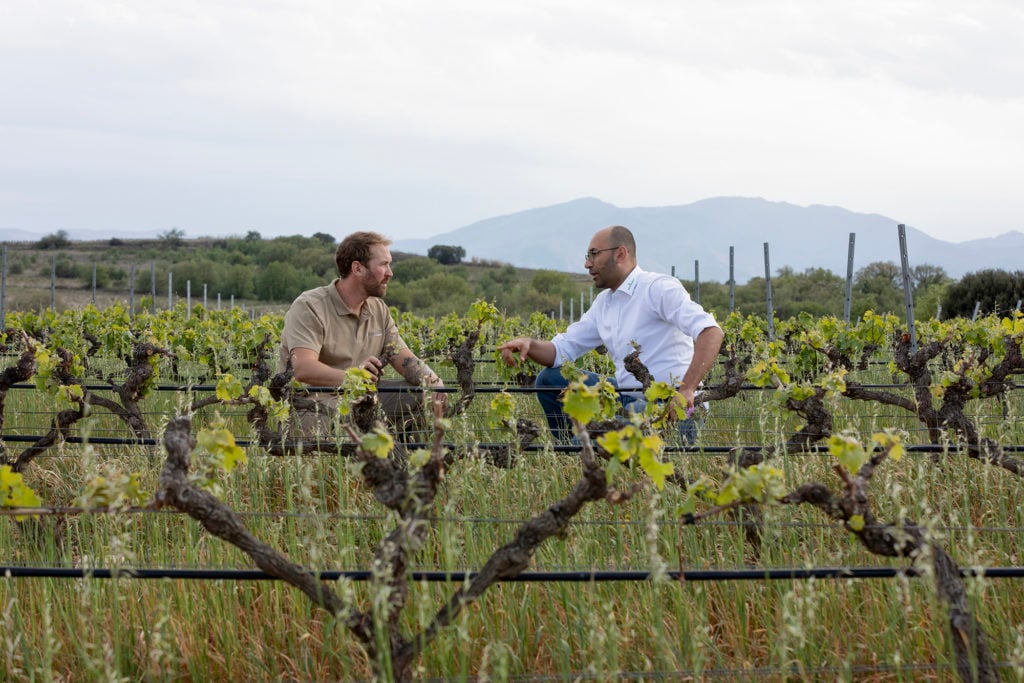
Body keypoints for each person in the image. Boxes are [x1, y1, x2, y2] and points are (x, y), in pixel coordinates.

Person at [497, 225, 724, 444]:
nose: (587, 264)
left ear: (620, 254)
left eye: (594, 254)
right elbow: (562, 350)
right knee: (549, 379)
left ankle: (583, 447)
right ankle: (571, 451)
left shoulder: (658, 289)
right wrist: (528, 344)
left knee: (601, 438)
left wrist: (686, 390)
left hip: (671, 408)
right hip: (627, 398)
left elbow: (711, 332)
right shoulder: (604, 303)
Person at [277, 231, 444, 438]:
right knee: (337, 423)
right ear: (357, 268)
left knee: (422, 394)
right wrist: (355, 377)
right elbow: (302, 368)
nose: (390, 272)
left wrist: (435, 384)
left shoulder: (378, 309)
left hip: (362, 400)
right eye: (383, 264)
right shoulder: (310, 306)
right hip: (311, 404)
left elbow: (404, 358)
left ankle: (408, 463)